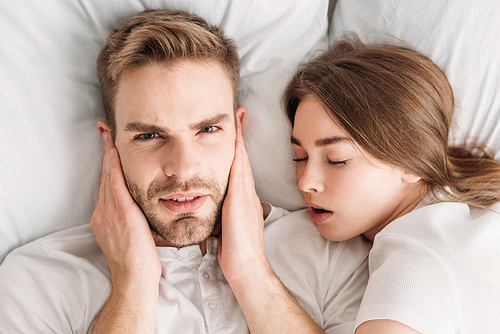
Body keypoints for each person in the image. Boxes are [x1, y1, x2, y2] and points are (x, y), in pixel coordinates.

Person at [0, 9, 370, 333]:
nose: (183, 168)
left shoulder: (332, 254)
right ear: (110, 142)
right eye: (149, 135)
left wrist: (252, 273)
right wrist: (133, 283)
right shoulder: (36, 282)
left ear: (238, 130)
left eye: (208, 130)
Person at [283, 37, 500, 333]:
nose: (306, 182)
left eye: (336, 159)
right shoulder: (478, 211)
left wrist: (249, 272)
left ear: (411, 162)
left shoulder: (417, 261)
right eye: (300, 157)